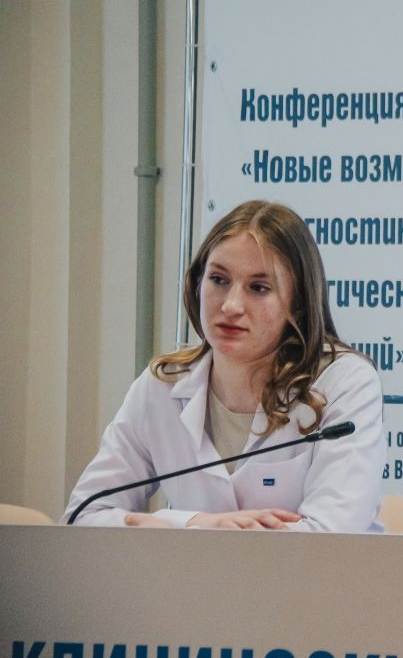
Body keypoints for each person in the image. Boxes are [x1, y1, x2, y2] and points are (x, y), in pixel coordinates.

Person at [63, 200, 385, 531]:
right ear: (197, 284)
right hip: (194, 568)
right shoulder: (163, 384)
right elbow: (82, 516)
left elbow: (332, 535)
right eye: (218, 279)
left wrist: (198, 534)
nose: (231, 305)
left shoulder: (343, 382)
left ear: (298, 305)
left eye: (258, 288)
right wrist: (194, 523)